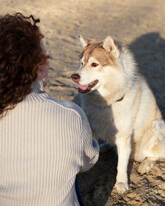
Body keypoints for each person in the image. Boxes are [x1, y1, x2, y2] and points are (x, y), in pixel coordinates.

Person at [0, 13, 99, 206]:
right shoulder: (71, 115)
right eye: (45, 58)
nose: (48, 64)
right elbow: (88, 160)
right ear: (36, 67)